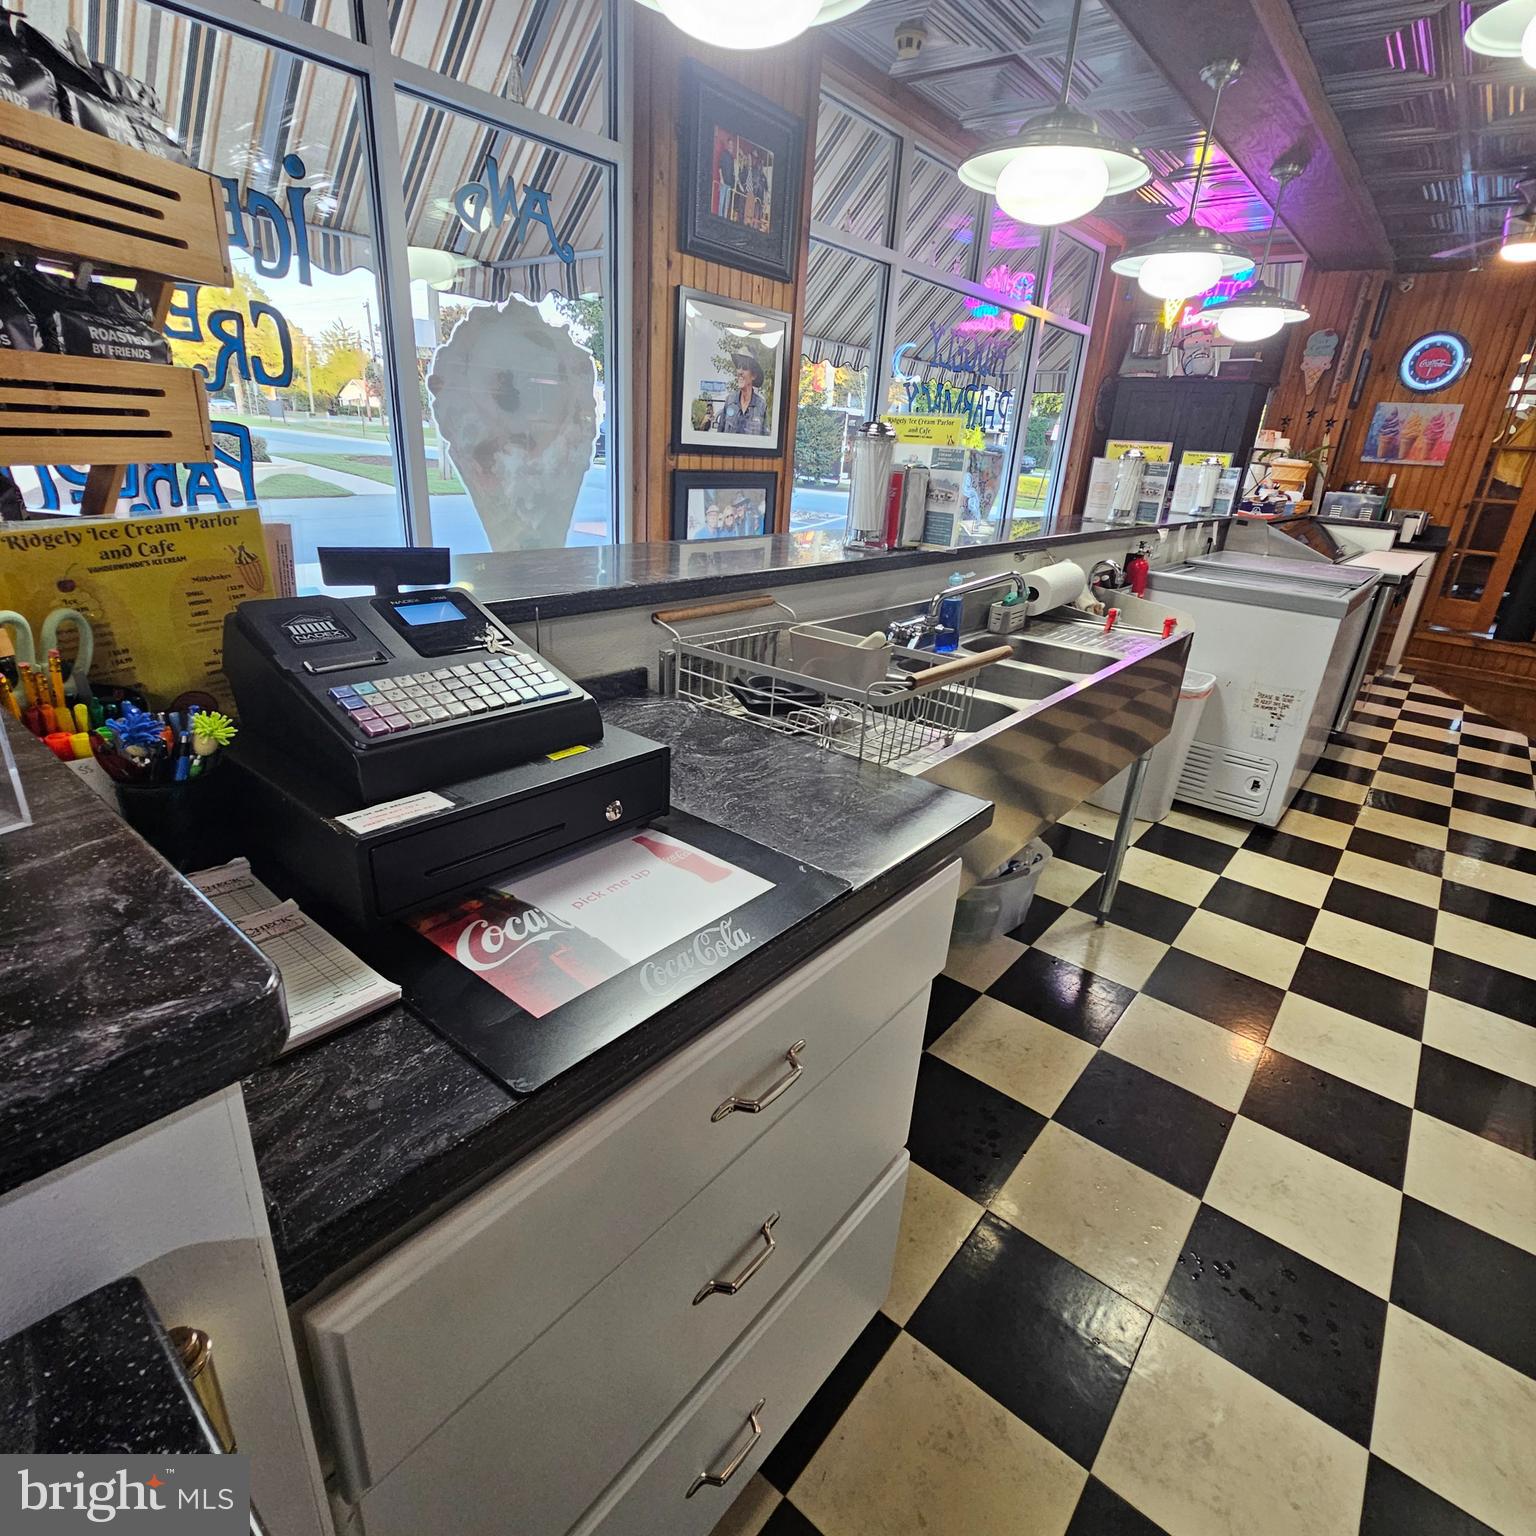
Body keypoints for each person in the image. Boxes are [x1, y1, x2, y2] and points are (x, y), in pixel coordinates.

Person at [717, 353, 768, 437]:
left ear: (754, 375)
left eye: (744, 367)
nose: (740, 371)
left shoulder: (761, 405)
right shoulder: (730, 401)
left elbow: (766, 439)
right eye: (738, 367)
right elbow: (719, 434)